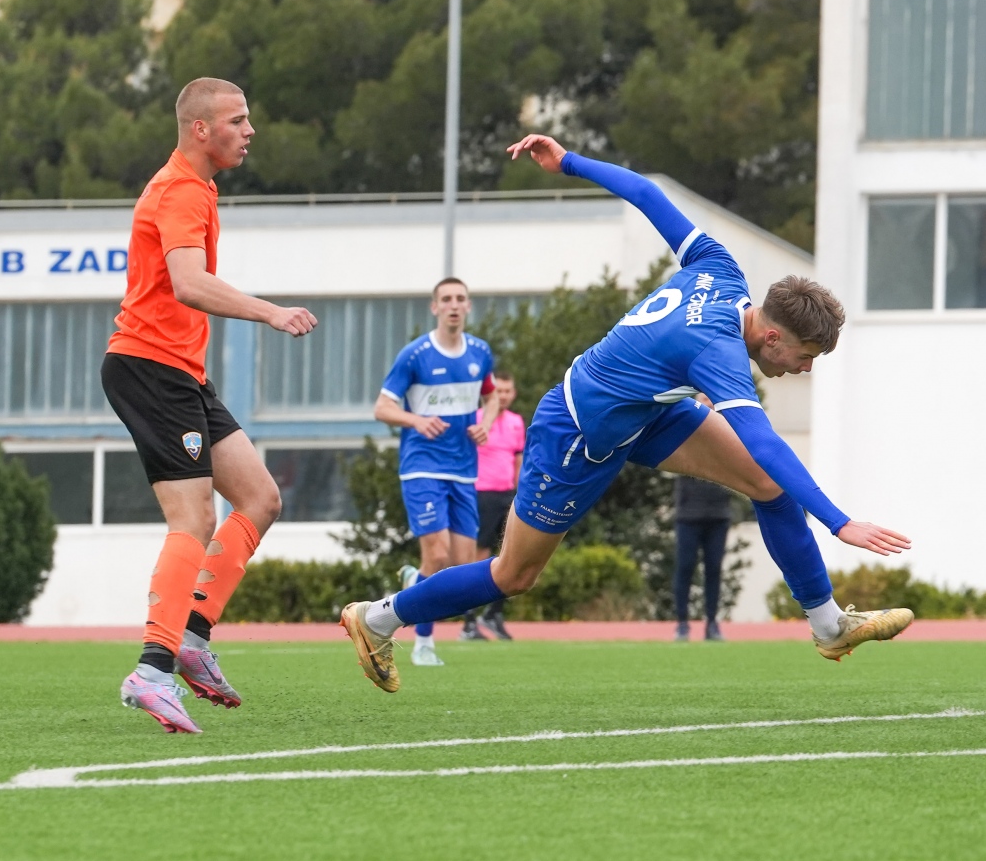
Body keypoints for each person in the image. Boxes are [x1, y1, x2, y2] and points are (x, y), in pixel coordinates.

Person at [339, 135, 914, 691]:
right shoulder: (716, 352)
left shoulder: (721, 268)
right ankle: (379, 618)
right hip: (578, 432)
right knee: (514, 574)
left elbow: (645, 192)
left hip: (645, 412)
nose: (805, 368)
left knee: (770, 486)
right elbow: (765, 442)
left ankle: (828, 626)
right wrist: (839, 522)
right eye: (805, 356)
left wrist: (568, 161)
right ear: (771, 336)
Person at [105, 77, 318, 734]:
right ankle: (152, 669)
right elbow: (189, 283)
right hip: (149, 368)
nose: (250, 131)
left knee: (260, 497)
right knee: (193, 518)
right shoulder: (179, 190)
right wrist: (270, 311)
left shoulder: (199, 187)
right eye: (238, 119)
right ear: (201, 129)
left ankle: (192, 637)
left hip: (182, 375)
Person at [373, 278, 496, 667]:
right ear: (435, 307)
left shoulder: (480, 352)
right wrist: (417, 420)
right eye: (446, 299)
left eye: (460, 299)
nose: (453, 305)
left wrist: (485, 424)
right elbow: (382, 407)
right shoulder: (415, 355)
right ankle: (423, 643)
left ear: (468, 306)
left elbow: (491, 397)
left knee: (461, 569)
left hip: (464, 470)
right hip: (422, 466)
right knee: (438, 555)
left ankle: (415, 583)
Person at [467, 373, 523, 641]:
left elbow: (518, 460)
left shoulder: (516, 422)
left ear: (513, 393)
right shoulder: (476, 419)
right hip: (481, 493)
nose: (503, 396)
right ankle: (469, 620)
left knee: (510, 555)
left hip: (508, 494)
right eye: (498, 391)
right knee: (478, 555)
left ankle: (493, 614)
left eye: (507, 391)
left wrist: (521, 494)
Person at [674, 464, 733, 642]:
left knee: (714, 569)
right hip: (688, 516)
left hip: (718, 515)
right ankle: (682, 623)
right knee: (685, 568)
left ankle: (712, 623)